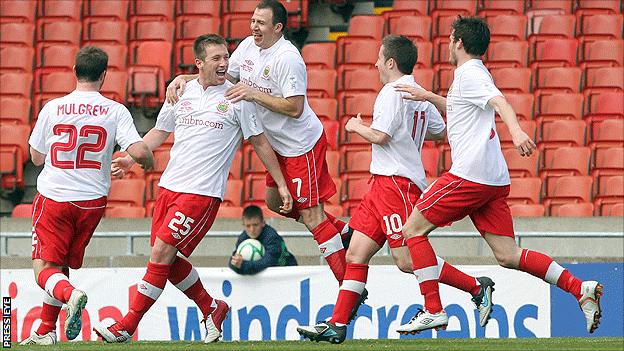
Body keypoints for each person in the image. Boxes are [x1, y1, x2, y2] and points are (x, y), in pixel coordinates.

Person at [393, 16, 603, 334]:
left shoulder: (469, 74)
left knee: (411, 231)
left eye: (450, 39)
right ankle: (579, 289)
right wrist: (429, 97)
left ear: (458, 43)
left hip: (469, 175)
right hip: (492, 180)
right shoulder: (474, 75)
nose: (448, 45)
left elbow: (499, 102)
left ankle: (432, 309)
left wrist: (517, 132)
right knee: (508, 254)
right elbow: (463, 107)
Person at [93, 34, 293, 344]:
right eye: (216, 59)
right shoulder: (181, 92)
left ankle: (126, 325)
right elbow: (159, 132)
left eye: (226, 57)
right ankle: (212, 308)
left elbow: (260, 142)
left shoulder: (238, 97)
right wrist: (132, 158)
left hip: (201, 193)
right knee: (167, 262)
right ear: (199, 63)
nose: (224, 63)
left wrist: (280, 182)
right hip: (169, 188)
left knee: (161, 253)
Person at [296, 35, 495, 344]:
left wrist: (355, 127)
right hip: (381, 185)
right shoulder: (416, 94)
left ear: (390, 62)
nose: (375, 63)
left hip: (396, 184)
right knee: (356, 253)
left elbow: (381, 136)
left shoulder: (391, 92)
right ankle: (337, 324)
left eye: (379, 58)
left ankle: (474, 286)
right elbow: (441, 132)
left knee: (404, 260)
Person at [166, 0, 359, 318]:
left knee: (311, 217)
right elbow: (222, 77)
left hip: (300, 146)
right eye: (252, 20)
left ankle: (349, 294)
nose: (253, 27)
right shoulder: (246, 48)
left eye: (261, 23)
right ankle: (340, 229)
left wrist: (253, 93)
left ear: (278, 28)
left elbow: (295, 108)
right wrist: (184, 79)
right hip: (279, 146)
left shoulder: (288, 58)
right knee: (274, 201)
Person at [21, 46, 153, 345]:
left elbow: (37, 157)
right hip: (92, 202)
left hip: (55, 196)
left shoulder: (53, 107)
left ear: (74, 71)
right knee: (60, 263)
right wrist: (146, 162)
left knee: (43, 267)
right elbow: (138, 150)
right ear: (104, 75)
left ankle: (71, 295)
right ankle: (45, 330)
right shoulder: (115, 110)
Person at [229, 205, 297, 275]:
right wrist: (236, 264)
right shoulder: (243, 238)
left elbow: (268, 262)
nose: (252, 230)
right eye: (248, 226)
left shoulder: (271, 237)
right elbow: (232, 261)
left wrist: (243, 265)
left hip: (286, 272)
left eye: (255, 225)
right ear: (243, 225)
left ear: (263, 223)